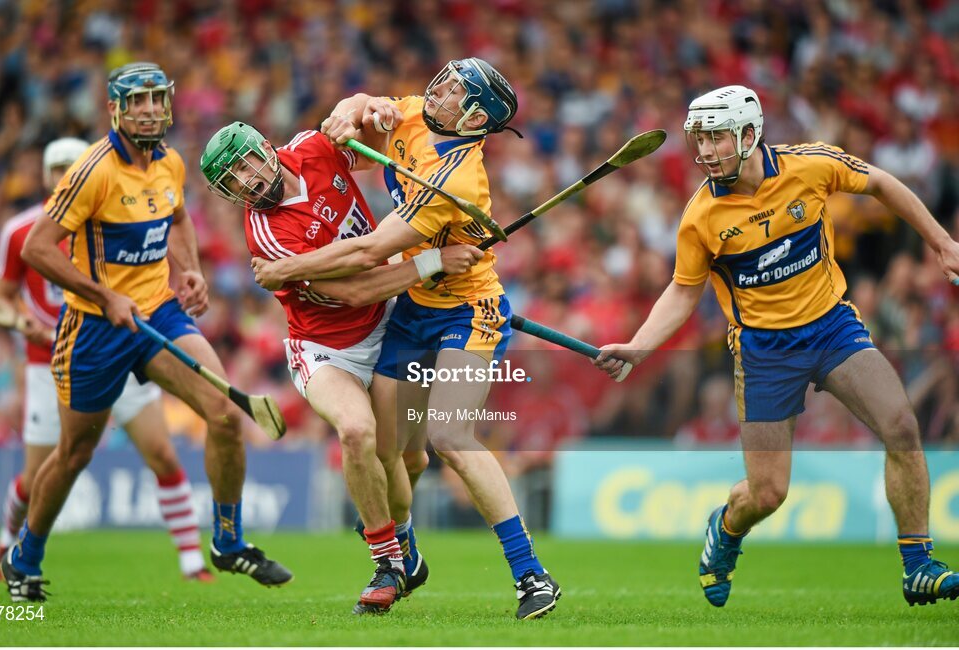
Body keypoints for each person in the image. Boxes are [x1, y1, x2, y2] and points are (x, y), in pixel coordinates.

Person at [594, 84, 959, 608]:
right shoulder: (700, 217)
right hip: (764, 352)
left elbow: (879, 182)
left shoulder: (808, 166)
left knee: (900, 423)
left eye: (716, 138)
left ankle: (918, 563)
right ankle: (724, 528)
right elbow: (683, 290)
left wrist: (942, 243)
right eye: (699, 139)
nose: (704, 151)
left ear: (749, 134)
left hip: (832, 327)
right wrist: (638, 346)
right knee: (767, 493)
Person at [251, 58, 561, 620]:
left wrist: (288, 270)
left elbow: (369, 254)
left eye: (452, 90)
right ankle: (405, 552)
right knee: (391, 452)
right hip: (413, 309)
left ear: (472, 119)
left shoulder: (457, 177)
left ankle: (531, 575)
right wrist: (349, 113)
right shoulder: (421, 113)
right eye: (443, 80)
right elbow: (360, 105)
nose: (435, 89)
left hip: (469, 309)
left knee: (449, 435)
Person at [1, 62, 291, 602]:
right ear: (116, 109)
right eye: (138, 101)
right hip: (93, 329)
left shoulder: (171, 164)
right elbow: (36, 248)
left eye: (158, 98)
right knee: (73, 454)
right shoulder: (93, 171)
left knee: (225, 414)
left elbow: (178, 220)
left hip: (157, 314)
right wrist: (104, 295)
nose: (151, 109)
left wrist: (190, 270)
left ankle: (228, 542)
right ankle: (25, 556)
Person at [199, 120, 482, 612]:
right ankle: (388, 560)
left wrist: (427, 192)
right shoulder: (268, 239)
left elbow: (381, 149)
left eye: (245, 164)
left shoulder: (313, 148)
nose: (245, 181)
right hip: (328, 347)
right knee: (356, 431)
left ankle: (397, 536)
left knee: (409, 462)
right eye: (232, 181)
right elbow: (353, 291)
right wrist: (433, 260)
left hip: (392, 324)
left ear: (266, 148)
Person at [0, 137, 210, 583]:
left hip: (121, 342)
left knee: (162, 452)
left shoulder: (115, 213)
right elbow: (0, 301)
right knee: (40, 474)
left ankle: (192, 563)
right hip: (48, 360)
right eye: (58, 168)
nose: (66, 174)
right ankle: (4, 549)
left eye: (73, 165)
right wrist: (20, 326)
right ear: (49, 176)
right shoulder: (21, 233)